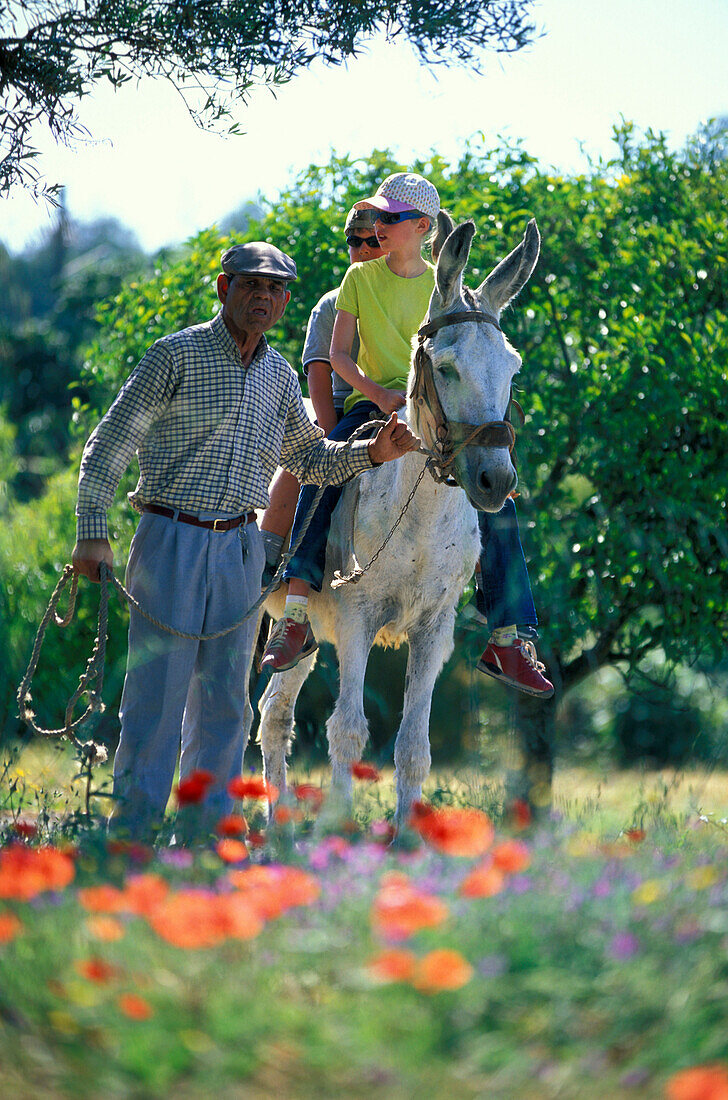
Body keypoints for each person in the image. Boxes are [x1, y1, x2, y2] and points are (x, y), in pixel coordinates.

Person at [72, 241, 419, 840]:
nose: (262, 297)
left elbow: (309, 459)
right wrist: (91, 535)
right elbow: (109, 443)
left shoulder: (281, 376)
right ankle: (132, 837)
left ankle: (207, 840)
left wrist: (371, 452)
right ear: (223, 288)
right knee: (156, 698)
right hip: (170, 538)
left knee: (226, 702)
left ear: (285, 301)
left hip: (242, 546)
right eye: (250, 284)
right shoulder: (173, 356)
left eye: (274, 289)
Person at [260, 173, 553, 698]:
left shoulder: (443, 291)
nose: (368, 243)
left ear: (419, 233)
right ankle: (295, 602)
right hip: (364, 404)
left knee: (497, 490)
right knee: (321, 475)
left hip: (430, 407)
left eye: (378, 232)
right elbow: (325, 368)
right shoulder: (342, 296)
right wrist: (338, 431)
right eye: (359, 237)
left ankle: (509, 633)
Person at [258, 206, 384, 583]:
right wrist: (328, 436)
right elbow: (318, 371)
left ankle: (478, 572)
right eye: (354, 242)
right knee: (303, 465)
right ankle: (269, 552)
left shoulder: (405, 299)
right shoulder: (332, 303)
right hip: (336, 405)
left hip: (391, 406)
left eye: (372, 241)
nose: (362, 249)